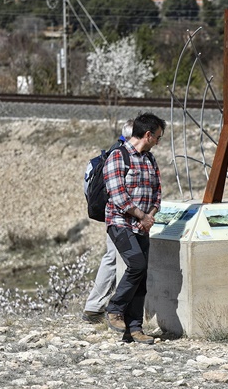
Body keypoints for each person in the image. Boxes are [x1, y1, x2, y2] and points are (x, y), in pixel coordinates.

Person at [104, 112, 166, 345]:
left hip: (142, 226)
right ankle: (115, 308)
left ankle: (134, 329)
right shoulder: (118, 157)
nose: (158, 142)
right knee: (136, 265)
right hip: (120, 223)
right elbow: (118, 196)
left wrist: (149, 216)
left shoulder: (149, 159)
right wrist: (141, 216)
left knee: (141, 276)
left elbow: (157, 192)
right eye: (158, 137)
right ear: (148, 135)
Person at [82, 120, 133, 324]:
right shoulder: (122, 156)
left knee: (114, 257)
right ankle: (95, 308)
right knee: (115, 258)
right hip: (121, 216)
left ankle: (97, 307)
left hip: (112, 215)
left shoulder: (110, 154)